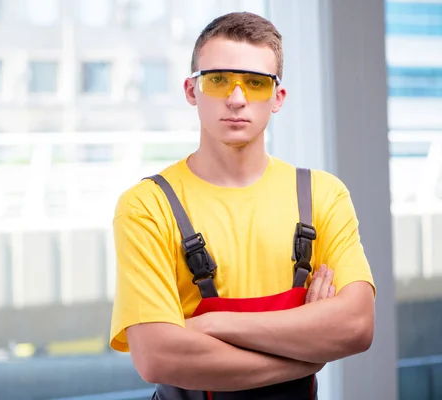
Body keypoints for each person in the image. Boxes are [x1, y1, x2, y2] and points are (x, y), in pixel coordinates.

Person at [109, 11, 376, 400]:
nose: (236, 98)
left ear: (277, 98)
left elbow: (356, 326)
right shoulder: (147, 206)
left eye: (255, 83)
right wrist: (306, 350)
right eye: (218, 80)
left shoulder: (322, 195)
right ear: (191, 90)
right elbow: (157, 356)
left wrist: (214, 325)